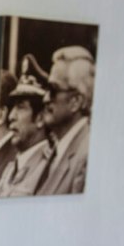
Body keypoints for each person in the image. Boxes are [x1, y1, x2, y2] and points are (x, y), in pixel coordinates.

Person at [36, 45, 94, 195]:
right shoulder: (60, 149)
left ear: (75, 101)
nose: (45, 98)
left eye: (53, 90)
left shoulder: (87, 158)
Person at [0, 64, 52, 198]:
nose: (11, 116)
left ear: (40, 118)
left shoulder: (49, 168)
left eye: (20, 107)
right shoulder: (10, 169)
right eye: (13, 108)